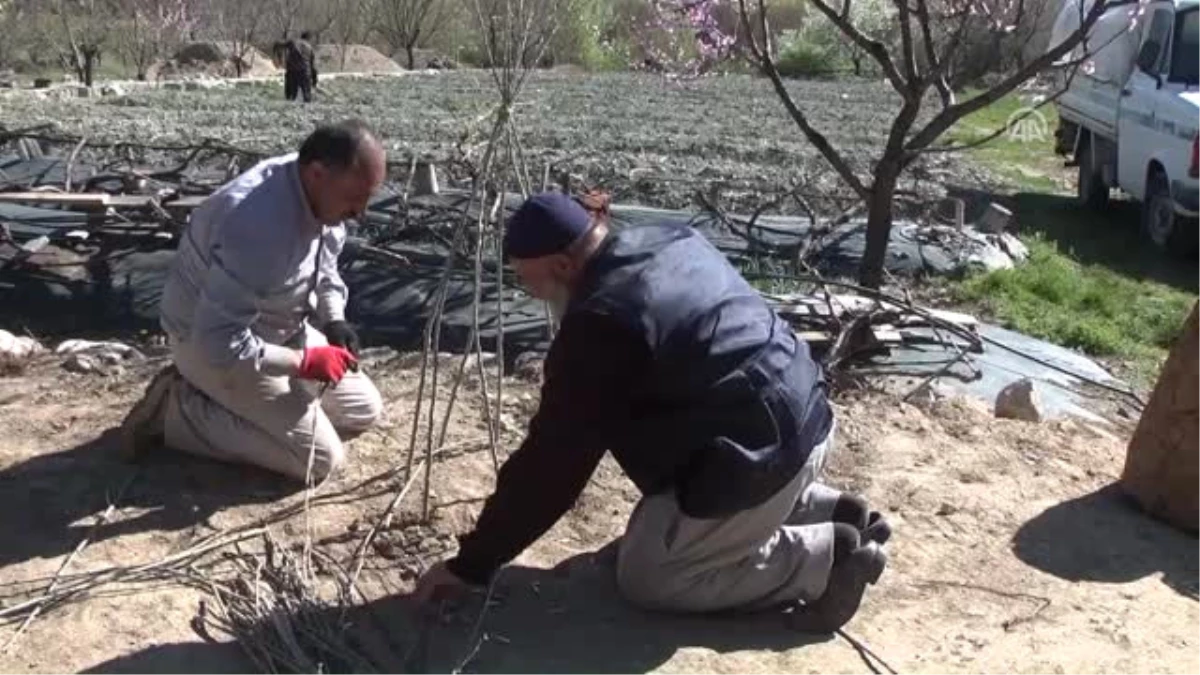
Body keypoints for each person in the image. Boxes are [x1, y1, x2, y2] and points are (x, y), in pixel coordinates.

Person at [411, 192, 892, 632]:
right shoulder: (668, 238)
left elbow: (552, 467)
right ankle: (826, 506)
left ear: (560, 265)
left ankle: (827, 560)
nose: (523, 288)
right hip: (807, 420)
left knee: (651, 576)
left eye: (523, 275)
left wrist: (473, 565)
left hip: (759, 458)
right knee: (663, 521)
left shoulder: (600, 324)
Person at [118, 120, 386, 485]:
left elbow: (325, 269)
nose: (360, 213)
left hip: (280, 327)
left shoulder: (322, 191)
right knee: (320, 460)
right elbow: (219, 342)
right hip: (206, 341)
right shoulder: (256, 226)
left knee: (363, 409)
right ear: (318, 173)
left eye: (367, 199)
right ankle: (177, 413)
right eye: (355, 201)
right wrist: (303, 362)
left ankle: (246, 401)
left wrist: (334, 319)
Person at [284, 31, 316, 103]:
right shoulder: (310, 47)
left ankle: (290, 108)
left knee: (292, 96)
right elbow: (312, 65)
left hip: (292, 72)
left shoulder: (294, 42)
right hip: (305, 72)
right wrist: (314, 79)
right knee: (306, 95)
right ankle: (306, 108)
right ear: (309, 39)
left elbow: (283, 44)